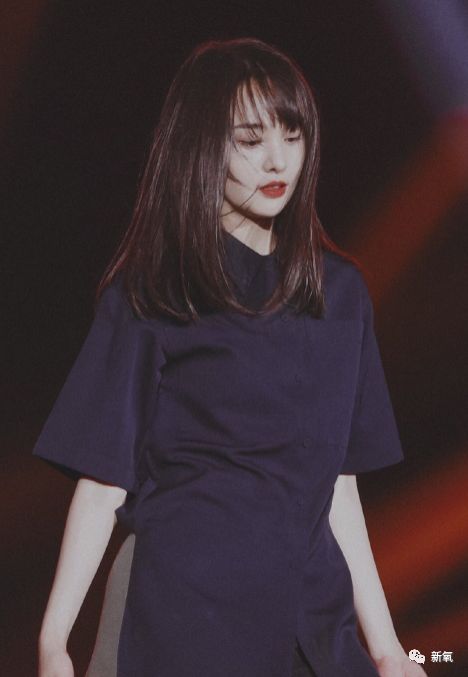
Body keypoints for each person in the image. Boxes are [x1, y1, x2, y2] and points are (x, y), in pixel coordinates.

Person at [33, 38, 427, 677]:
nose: (278, 159)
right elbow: (103, 483)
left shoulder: (339, 295)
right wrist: (54, 643)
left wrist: (388, 651)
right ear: (202, 145)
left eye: (293, 135)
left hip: (314, 619)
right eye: (250, 139)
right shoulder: (155, 294)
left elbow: (337, 486)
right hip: (183, 617)